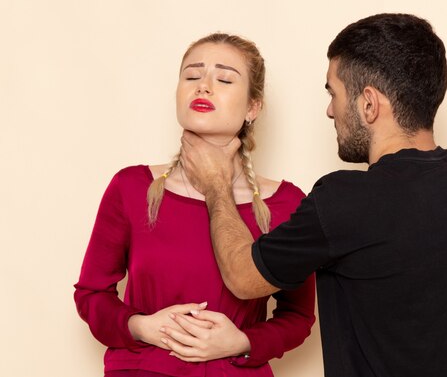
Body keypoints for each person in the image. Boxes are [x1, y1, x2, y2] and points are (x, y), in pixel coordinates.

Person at [178, 14, 447, 377]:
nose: (331, 111)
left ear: (368, 103)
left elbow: (244, 279)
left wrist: (215, 183)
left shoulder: (343, 201)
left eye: (334, 93)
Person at [74, 33, 316, 377]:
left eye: (224, 79)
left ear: (252, 107)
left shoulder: (287, 204)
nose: (203, 86)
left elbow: (298, 316)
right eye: (191, 76)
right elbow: (91, 293)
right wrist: (142, 327)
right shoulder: (131, 188)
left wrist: (241, 342)